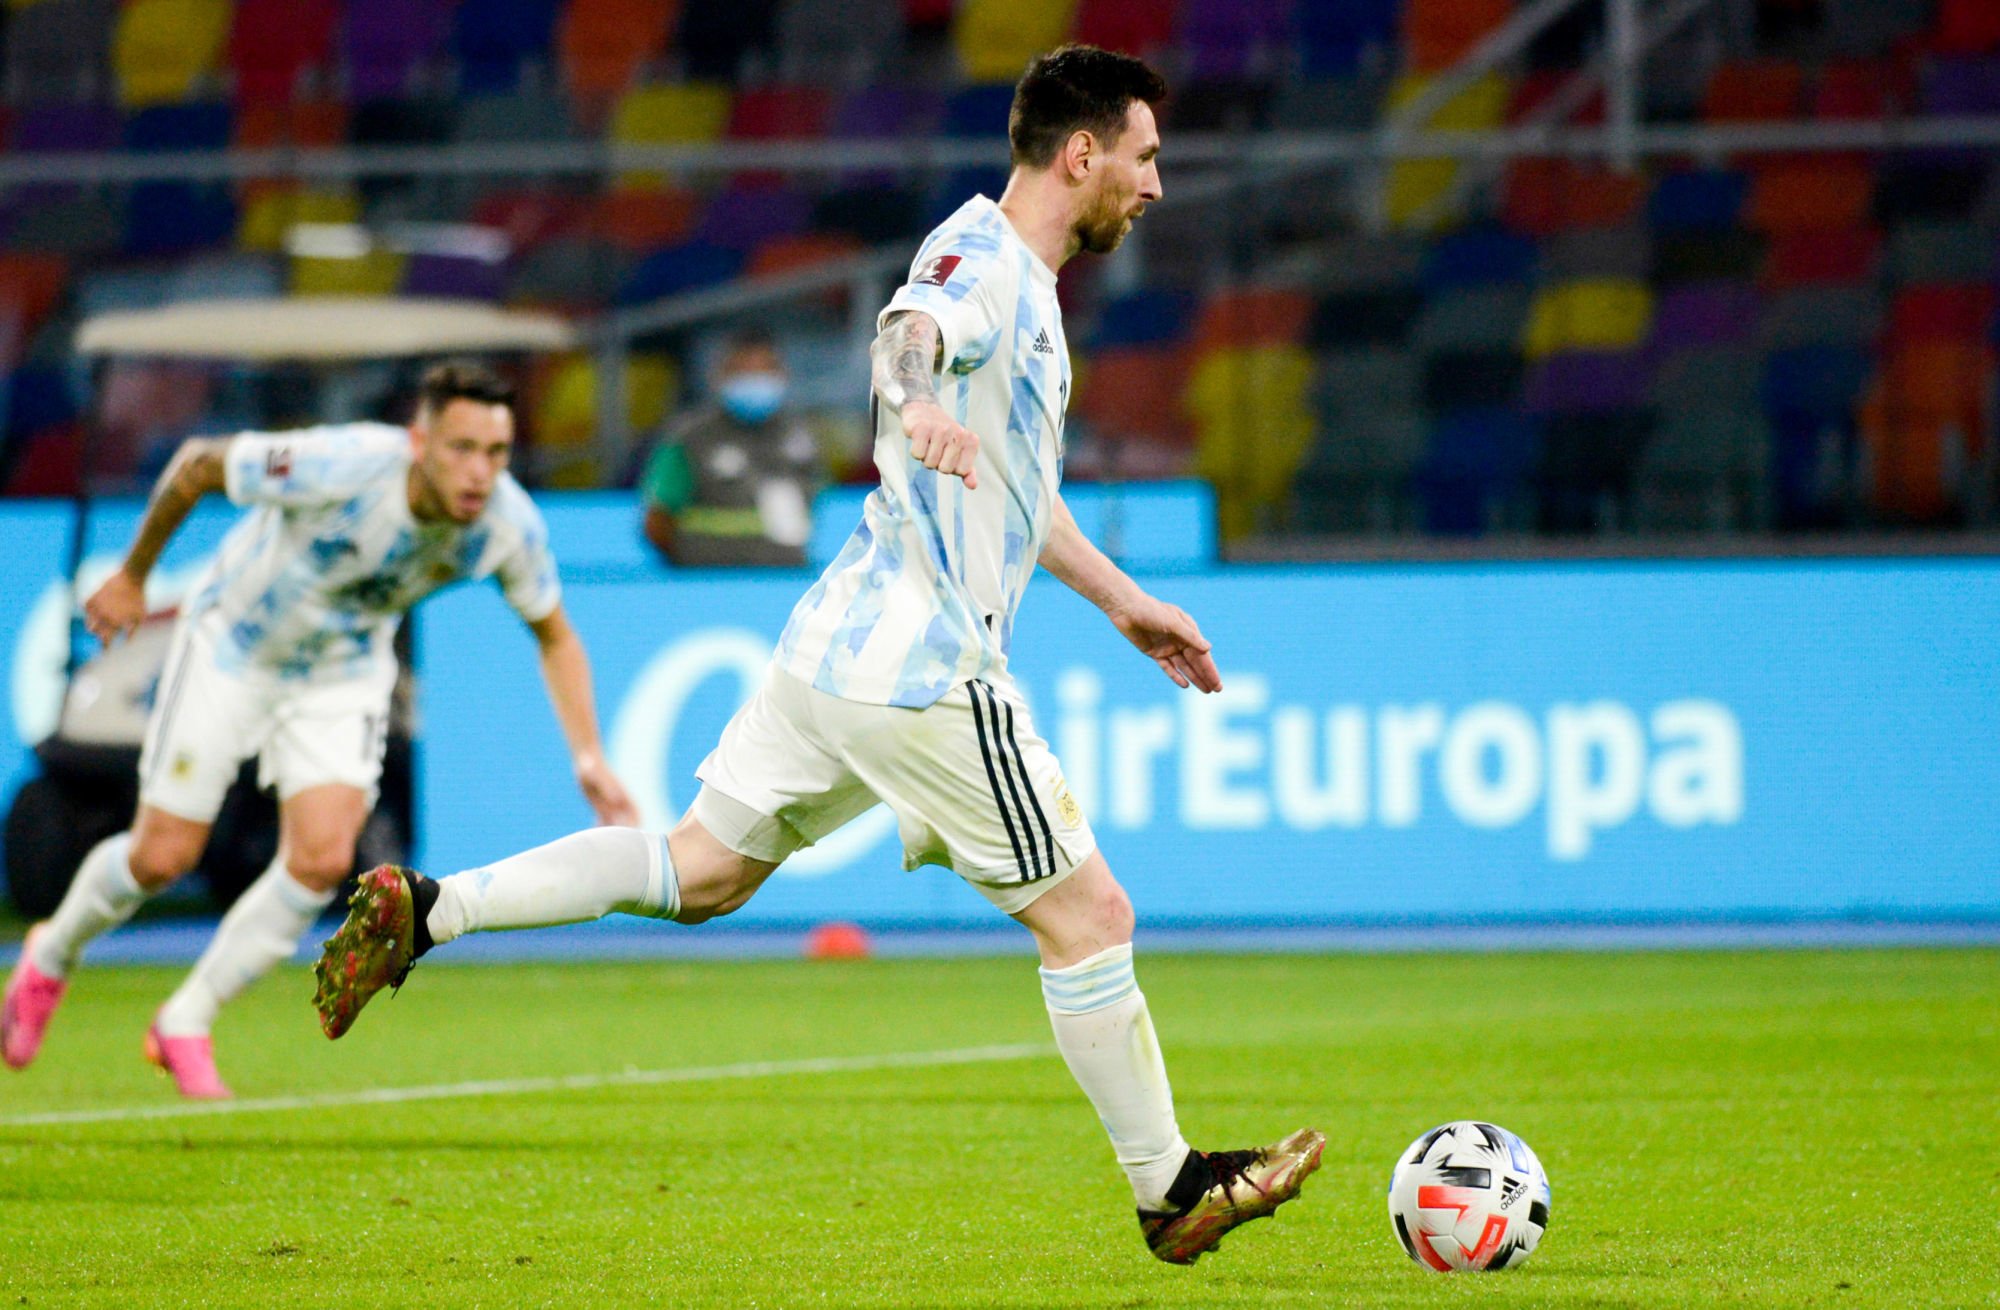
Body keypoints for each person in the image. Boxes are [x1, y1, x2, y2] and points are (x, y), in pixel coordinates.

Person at [312, 48, 1321, 1264]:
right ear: (1080, 153)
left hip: (834, 648)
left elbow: (1022, 494)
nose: (1155, 185)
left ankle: (433, 907)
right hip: (924, 669)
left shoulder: (1018, 278)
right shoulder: (984, 262)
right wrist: (915, 401)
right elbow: (906, 334)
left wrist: (1125, 602)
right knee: (1090, 916)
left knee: (698, 870)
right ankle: (1169, 1188)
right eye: (1145, 157)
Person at [0, 361, 638, 1099]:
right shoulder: (343, 463)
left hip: (342, 672)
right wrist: (135, 576)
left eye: (495, 453)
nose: (479, 472)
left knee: (323, 859)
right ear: (418, 442)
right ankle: (52, 954)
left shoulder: (508, 527)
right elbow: (198, 464)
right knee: (162, 856)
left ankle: (186, 1019)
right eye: (461, 448)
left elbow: (555, 635)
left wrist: (588, 756)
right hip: (234, 648)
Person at [640, 328, 826, 567]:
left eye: (764, 369)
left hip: (785, 575)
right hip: (706, 577)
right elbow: (658, 519)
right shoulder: (690, 439)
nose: (754, 380)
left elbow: (815, 503)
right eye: (743, 371)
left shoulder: (803, 437)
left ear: (783, 374)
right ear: (719, 375)